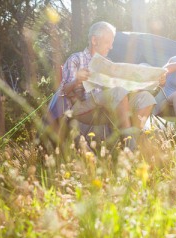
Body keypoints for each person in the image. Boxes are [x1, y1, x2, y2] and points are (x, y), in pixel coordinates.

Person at [47, 21, 157, 149]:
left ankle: (133, 139)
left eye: (112, 43)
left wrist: (150, 81)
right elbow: (63, 92)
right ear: (94, 40)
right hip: (83, 106)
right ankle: (130, 147)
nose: (110, 47)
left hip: (110, 103)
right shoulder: (76, 59)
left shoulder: (108, 63)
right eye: (107, 42)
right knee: (118, 92)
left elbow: (121, 87)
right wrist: (77, 80)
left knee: (146, 98)